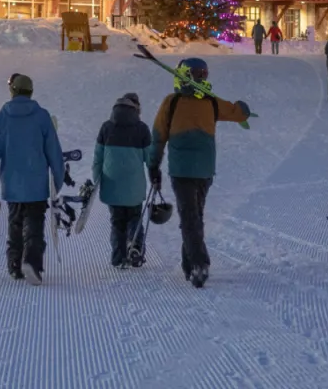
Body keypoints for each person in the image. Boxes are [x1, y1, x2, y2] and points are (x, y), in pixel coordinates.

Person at [149, 57, 252, 288]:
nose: (200, 77)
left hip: (187, 171)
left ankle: (197, 264)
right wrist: (243, 109)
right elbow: (236, 112)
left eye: (202, 74)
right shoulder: (204, 102)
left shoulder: (176, 102)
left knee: (191, 217)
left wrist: (153, 165)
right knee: (193, 217)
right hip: (200, 171)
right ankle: (193, 264)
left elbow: (157, 137)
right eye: (198, 74)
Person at [0, 73, 64, 285]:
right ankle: (32, 262)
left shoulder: (2, 117)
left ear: (13, 91)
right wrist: (57, 182)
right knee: (34, 223)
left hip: (12, 183)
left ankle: (15, 265)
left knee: (15, 223)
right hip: (36, 184)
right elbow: (53, 150)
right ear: (30, 91)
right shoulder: (42, 116)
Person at [91, 92, 154, 269]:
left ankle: (118, 257)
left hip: (112, 183)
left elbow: (98, 158)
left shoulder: (106, 128)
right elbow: (151, 159)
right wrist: (155, 177)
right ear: (136, 109)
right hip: (134, 185)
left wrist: (97, 180)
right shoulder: (142, 129)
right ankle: (135, 246)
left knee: (117, 220)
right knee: (134, 217)